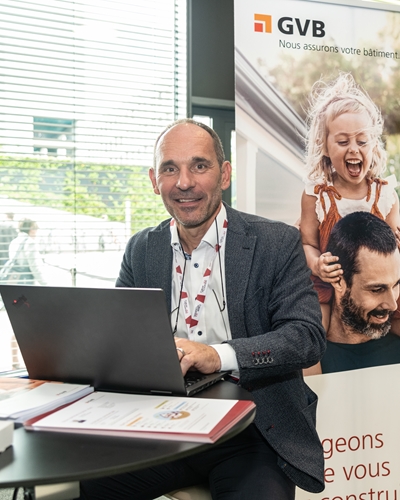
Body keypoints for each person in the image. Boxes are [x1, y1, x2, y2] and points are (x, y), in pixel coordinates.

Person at [78, 119, 326, 500]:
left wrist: (217, 355)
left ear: (224, 174)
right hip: (163, 422)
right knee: (86, 484)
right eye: (170, 168)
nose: (184, 182)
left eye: (199, 165)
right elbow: (121, 340)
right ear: (154, 180)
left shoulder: (275, 242)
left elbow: (306, 337)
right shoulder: (141, 249)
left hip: (252, 427)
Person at [300, 72, 400, 332]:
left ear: (373, 145)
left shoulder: (385, 194)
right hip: (330, 284)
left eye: (362, 141)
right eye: (343, 141)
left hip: (376, 285)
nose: (354, 149)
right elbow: (307, 243)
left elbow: (393, 249)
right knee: (316, 327)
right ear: (325, 146)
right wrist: (317, 265)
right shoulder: (316, 195)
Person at [304, 212, 400, 376]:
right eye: (377, 289)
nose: (392, 305)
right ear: (338, 281)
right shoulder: (304, 355)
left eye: (396, 284)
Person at [8, 218, 46, 284]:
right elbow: (34, 267)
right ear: (31, 229)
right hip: (25, 281)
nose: (36, 232)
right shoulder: (30, 242)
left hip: (15, 280)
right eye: (35, 228)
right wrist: (45, 284)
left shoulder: (14, 242)